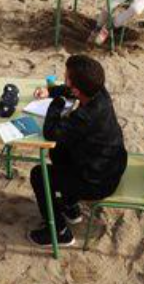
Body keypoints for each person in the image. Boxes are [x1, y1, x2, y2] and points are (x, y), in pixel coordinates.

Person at [27, 55, 127, 248]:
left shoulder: (86, 116)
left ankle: (58, 231)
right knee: (59, 150)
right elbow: (71, 91)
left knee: (39, 174)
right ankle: (70, 206)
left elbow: (50, 132)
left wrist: (56, 104)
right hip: (109, 165)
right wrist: (50, 91)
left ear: (76, 88)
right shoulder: (99, 93)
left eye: (66, 77)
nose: (63, 78)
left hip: (99, 182)